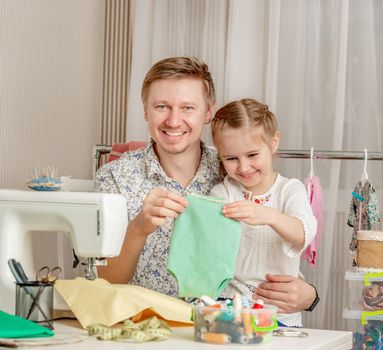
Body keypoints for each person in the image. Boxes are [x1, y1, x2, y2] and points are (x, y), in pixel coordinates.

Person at [95, 56, 319, 314]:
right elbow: (105, 282)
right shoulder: (115, 178)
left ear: (208, 112)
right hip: (146, 325)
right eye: (162, 106)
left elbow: (271, 238)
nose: (174, 120)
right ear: (145, 109)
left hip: (224, 325)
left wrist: (309, 295)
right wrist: (138, 228)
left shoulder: (235, 167)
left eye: (187, 108)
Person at [209, 98, 317, 326]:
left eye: (252, 155)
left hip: (281, 314)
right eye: (231, 158)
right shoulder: (222, 193)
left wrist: (267, 215)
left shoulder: (290, 189)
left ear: (274, 142)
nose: (243, 167)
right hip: (232, 309)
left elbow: (303, 232)